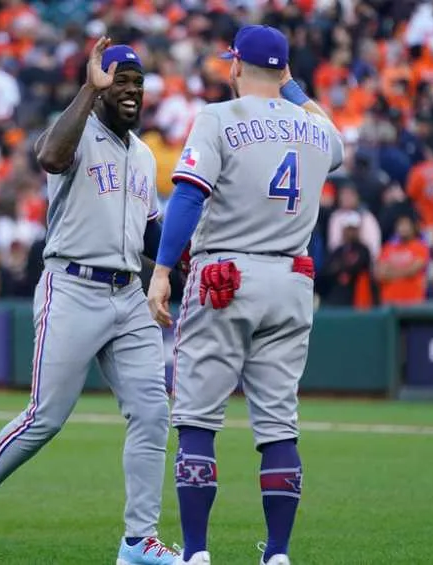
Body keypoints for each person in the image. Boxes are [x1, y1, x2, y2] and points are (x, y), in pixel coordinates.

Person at [0, 38, 180, 565]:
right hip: (72, 286)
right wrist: (87, 93)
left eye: (137, 82)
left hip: (127, 294)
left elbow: (150, 235)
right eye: (121, 80)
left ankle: (139, 540)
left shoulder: (142, 154)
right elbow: (48, 156)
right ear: (99, 86)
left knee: (152, 413)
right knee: (44, 418)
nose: (132, 91)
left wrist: (185, 263)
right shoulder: (76, 132)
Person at [147, 25, 344, 565]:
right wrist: (295, 90)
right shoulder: (316, 129)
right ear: (284, 71)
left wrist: (163, 271)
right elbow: (339, 143)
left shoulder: (217, 117)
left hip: (225, 279)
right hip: (291, 281)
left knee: (196, 421)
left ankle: (196, 552)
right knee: (279, 425)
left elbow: (187, 197)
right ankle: (277, 553)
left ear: (234, 66)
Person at [375, 216, 430, 306]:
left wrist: (391, 272)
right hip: (389, 302)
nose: (403, 228)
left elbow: (412, 271)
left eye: (406, 225)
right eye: (400, 225)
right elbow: (380, 273)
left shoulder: (420, 247)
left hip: (412, 302)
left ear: (413, 228)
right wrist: (403, 271)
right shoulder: (388, 247)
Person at [322, 212, 373, 307]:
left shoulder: (363, 249)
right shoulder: (337, 250)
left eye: (353, 229)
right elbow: (326, 271)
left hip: (358, 296)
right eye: (348, 229)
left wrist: (339, 266)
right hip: (337, 296)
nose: (351, 232)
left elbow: (357, 266)